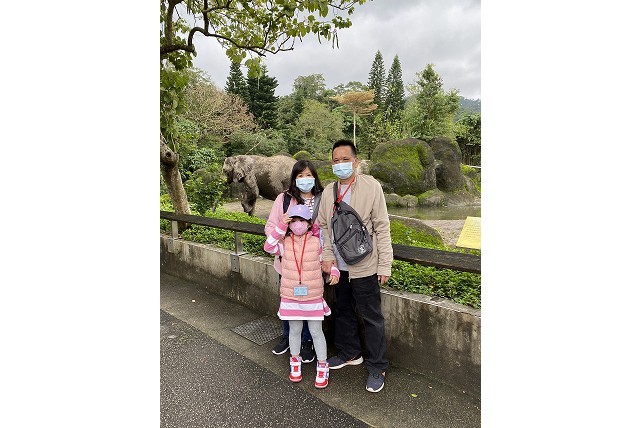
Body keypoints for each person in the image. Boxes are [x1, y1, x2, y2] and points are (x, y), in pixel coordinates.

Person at [317, 139, 393, 393]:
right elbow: (324, 228)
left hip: (366, 265)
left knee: (371, 316)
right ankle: (350, 353)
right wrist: (327, 257)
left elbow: (382, 226)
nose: (340, 164)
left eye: (345, 160)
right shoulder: (329, 192)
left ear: (356, 162)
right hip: (339, 268)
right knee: (343, 310)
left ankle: (377, 366)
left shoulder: (371, 186)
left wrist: (385, 264)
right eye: (336, 161)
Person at [264, 204, 340, 388]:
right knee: (295, 330)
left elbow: (327, 261)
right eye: (294, 220)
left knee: (316, 332)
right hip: (291, 296)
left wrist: (334, 271)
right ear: (290, 224)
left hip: (312, 296)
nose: (298, 224)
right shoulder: (284, 243)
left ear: (309, 223)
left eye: (302, 220)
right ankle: (295, 361)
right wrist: (281, 225)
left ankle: (322, 365)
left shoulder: (317, 243)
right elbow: (268, 246)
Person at [264, 160, 325, 363]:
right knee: (289, 301)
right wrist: (283, 235)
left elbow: (328, 230)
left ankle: (307, 342)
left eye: (308, 175)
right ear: (294, 178)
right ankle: (288, 337)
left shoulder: (323, 198)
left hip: (312, 264)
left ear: (315, 177)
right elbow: (270, 226)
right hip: (289, 262)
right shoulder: (284, 199)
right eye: (300, 176)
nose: (304, 179)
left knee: (310, 303)